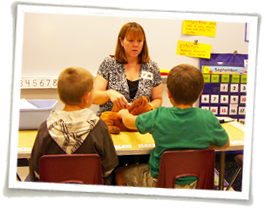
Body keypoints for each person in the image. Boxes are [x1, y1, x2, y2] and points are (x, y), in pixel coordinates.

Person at [115, 64, 230, 188]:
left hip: (160, 182)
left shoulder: (158, 115)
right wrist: (199, 143)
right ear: (200, 93)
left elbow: (129, 122)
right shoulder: (208, 117)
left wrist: (123, 113)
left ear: (168, 92)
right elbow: (225, 144)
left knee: (119, 174)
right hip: (195, 184)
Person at [30, 67, 119, 184]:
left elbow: (37, 169)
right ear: (87, 97)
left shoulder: (45, 127)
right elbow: (108, 168)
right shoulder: (99, 126)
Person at [93, 22, 163, 116]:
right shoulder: (108, 64)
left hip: (140, 123)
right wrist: (109, 93)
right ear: (121, 41)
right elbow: (94, 97)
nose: (135, 45)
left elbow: (158, 99)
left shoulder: (152, 67)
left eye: (139, 41)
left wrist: (147, 107)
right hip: (111, 121)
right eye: (130, 40)